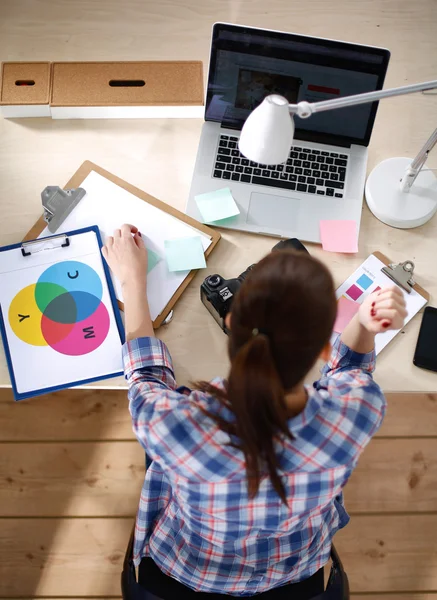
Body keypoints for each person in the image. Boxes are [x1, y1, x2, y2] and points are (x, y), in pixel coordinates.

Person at [103, 224, 407, 599]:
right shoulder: (355, 412)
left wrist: (133, 280)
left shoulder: (173, 425)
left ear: (231, 322)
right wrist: (363, 322)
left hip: (186, 569)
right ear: (320, 347)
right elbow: (352, 371)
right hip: (296, 571)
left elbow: (146, 374)